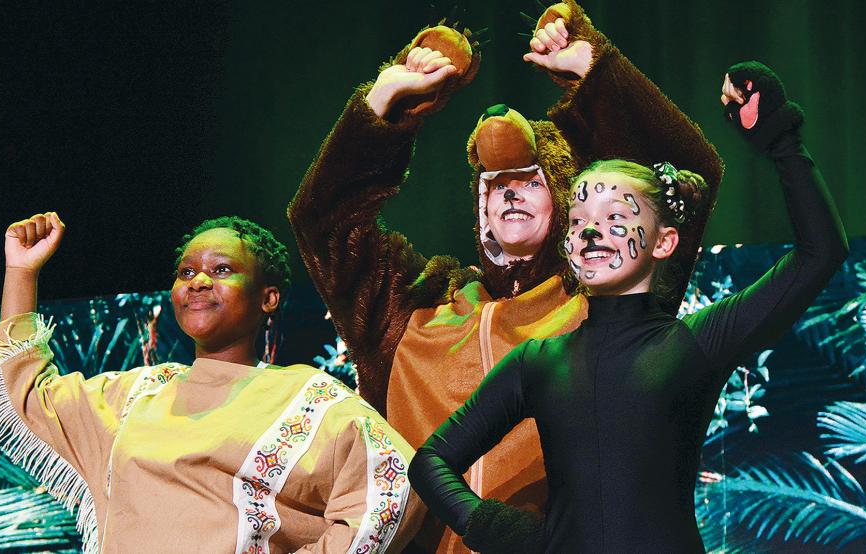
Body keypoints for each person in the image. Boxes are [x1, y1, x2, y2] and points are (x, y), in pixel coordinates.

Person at [288, 3, 722, 550]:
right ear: (480, 208)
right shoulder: (411, 310)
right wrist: (388, 101)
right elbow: (323, 221)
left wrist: (594, 75)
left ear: (564, 198)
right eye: (495, 184)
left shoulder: (608, 300)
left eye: (529, 181)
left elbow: (684, 181)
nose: (509, 192)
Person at [407, 62, 849, 552]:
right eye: (578, 221)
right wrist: (500, 530)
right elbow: (430, 462)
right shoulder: (537, 363)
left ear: (665, 242)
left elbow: (821, 254)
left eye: (615, 217)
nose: (591, 232)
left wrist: (783, 146)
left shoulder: (697, 343)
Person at [0, 214, 423, 553]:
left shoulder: (310, 399)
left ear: (268, 297)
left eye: (221, 269)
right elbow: (27, 392)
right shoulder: (136, 396)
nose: (198, 280)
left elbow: (395, 488)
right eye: (186, 271)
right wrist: (21, 271)